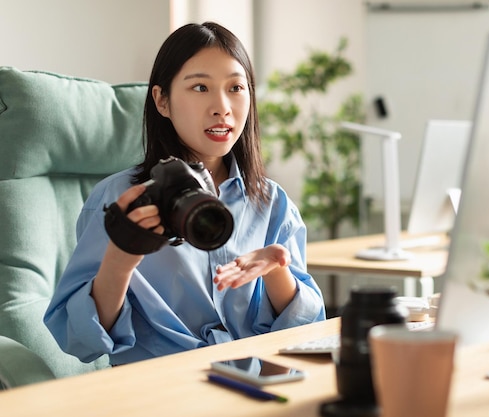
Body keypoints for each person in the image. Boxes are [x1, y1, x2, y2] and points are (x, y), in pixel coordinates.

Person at [44, 21, 326, 365]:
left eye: (236, 87)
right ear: (162, 100)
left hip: (251, 377)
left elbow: (308, 329)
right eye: (200, 88)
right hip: (160, 384)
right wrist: (120, 259)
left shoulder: (272, 201)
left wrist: (276, 270)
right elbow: (78, 339)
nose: (222, 106)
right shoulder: (120, 199)